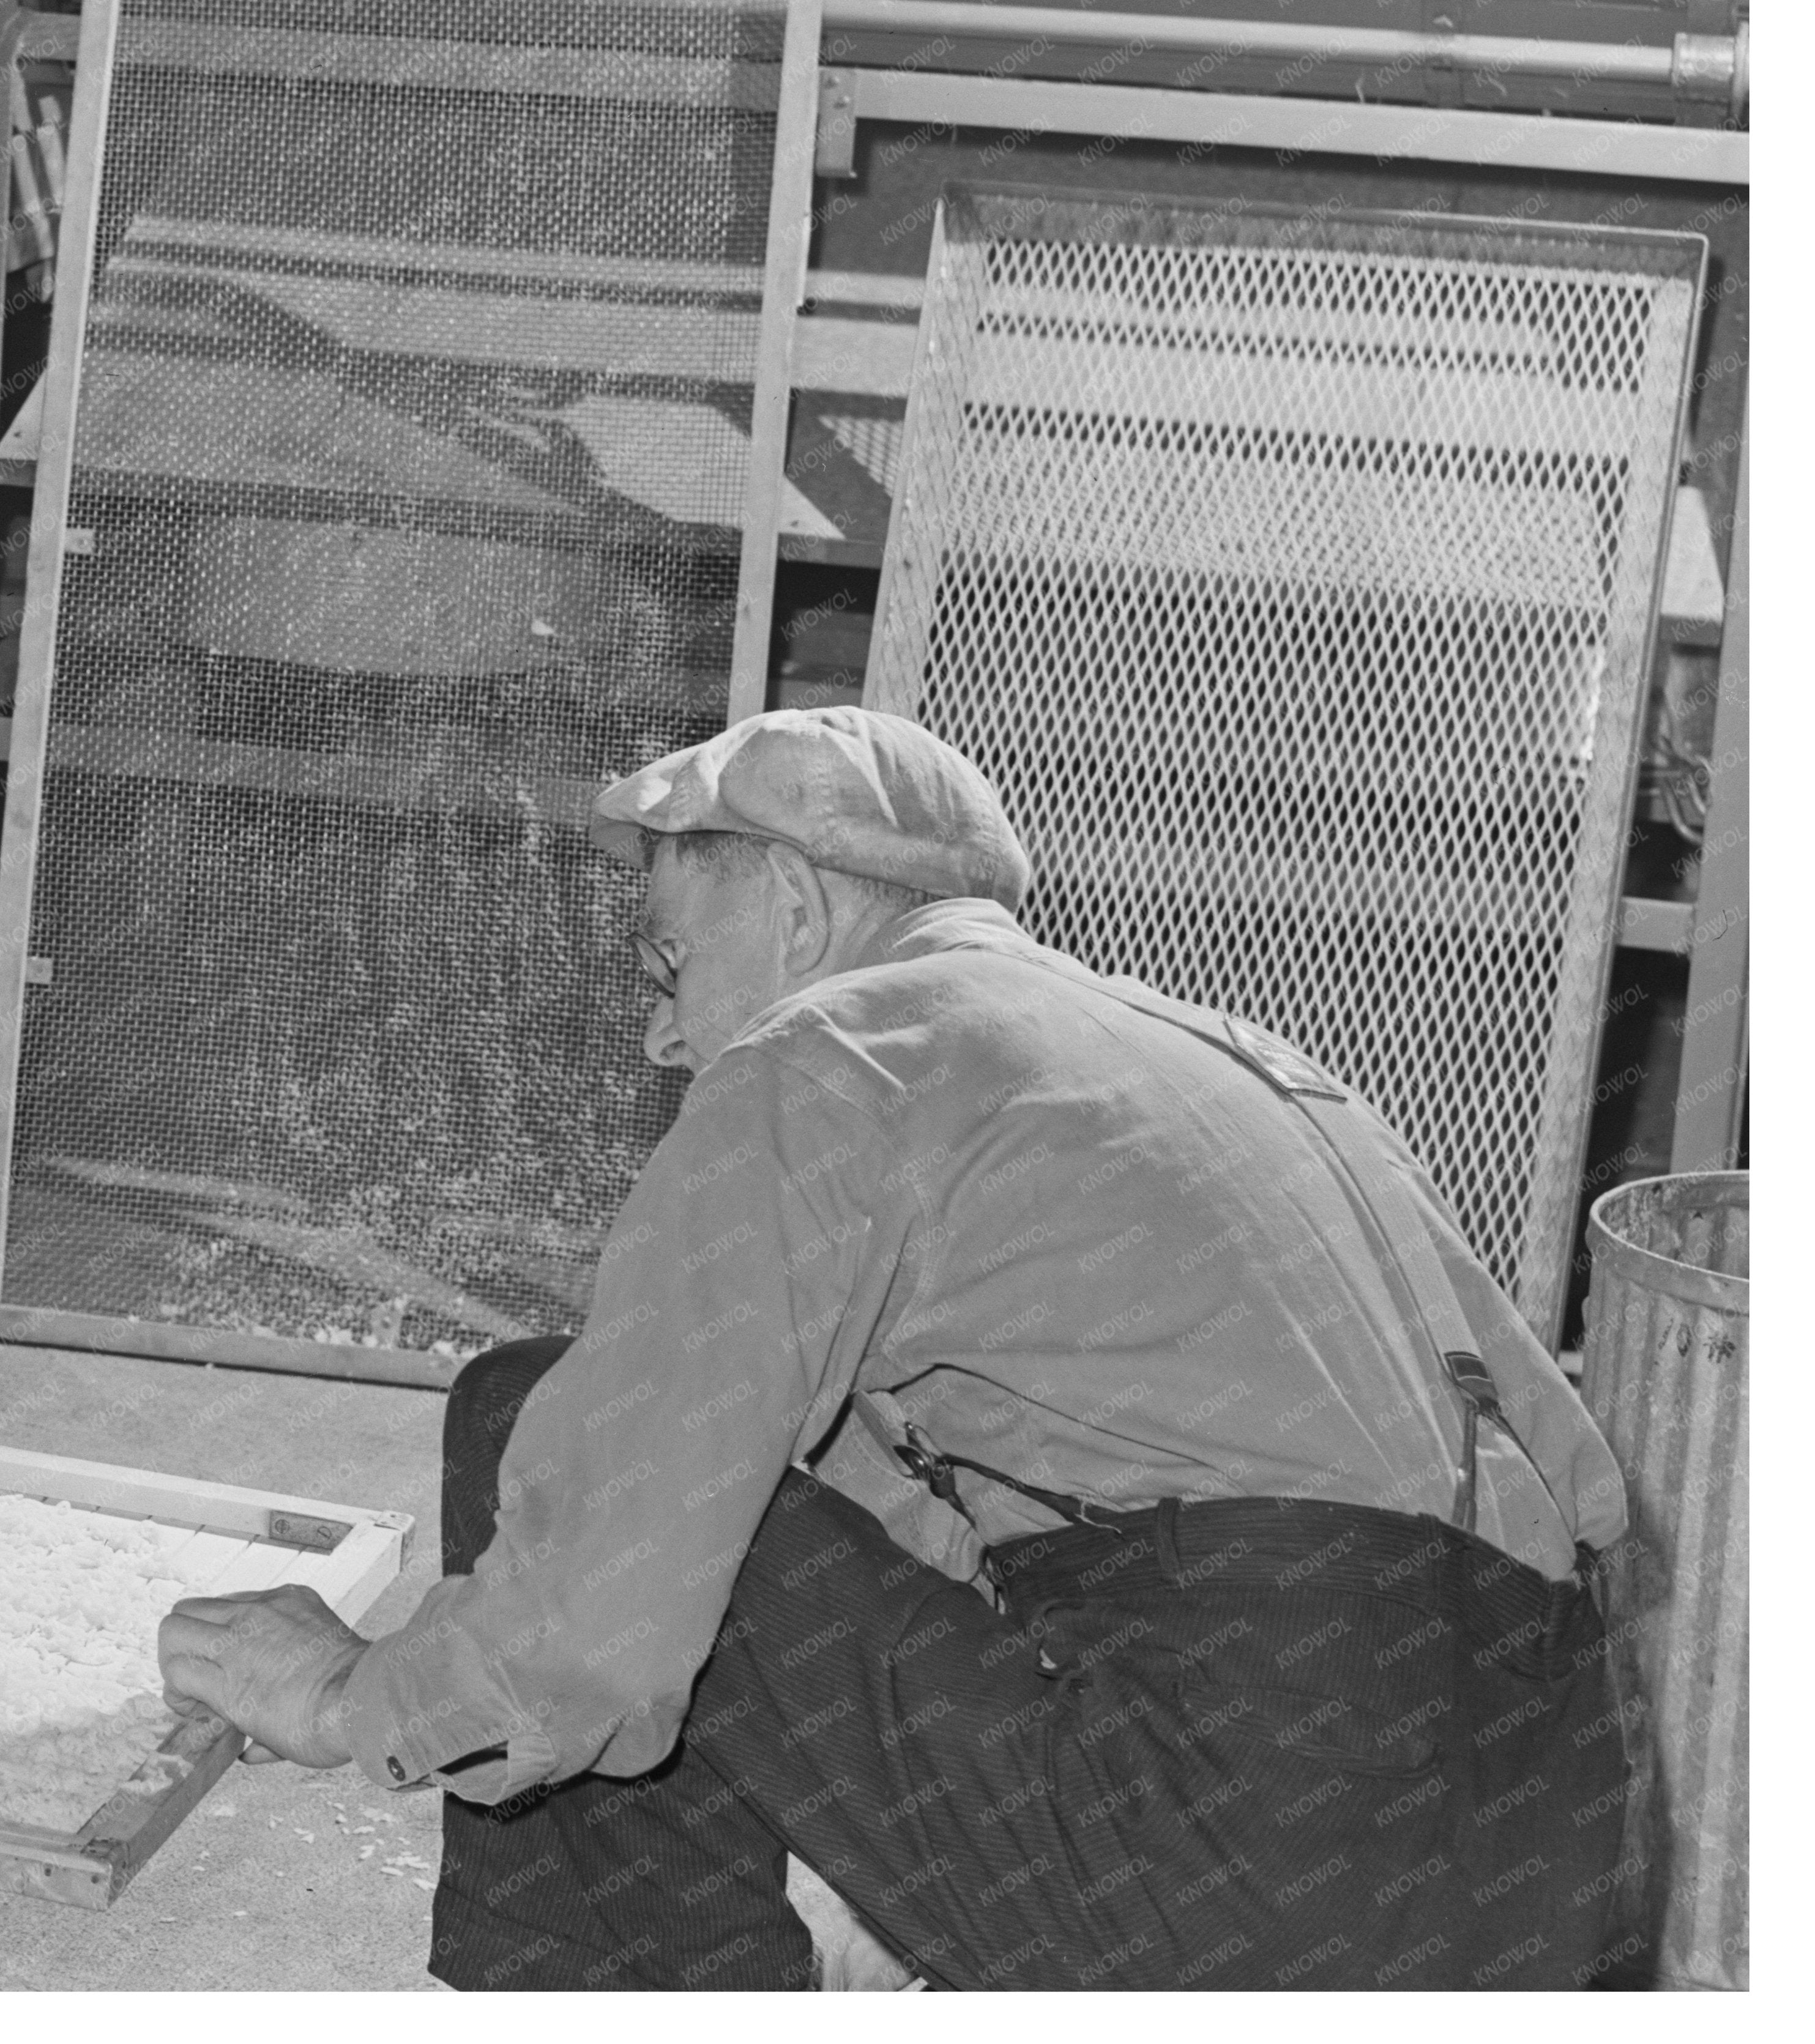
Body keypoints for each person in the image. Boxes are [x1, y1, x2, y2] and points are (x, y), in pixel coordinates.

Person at [159, 706, 1641, 1990]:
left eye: (668, 965)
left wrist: (355, 1699)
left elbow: (602, 1619)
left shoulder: (834, 1057)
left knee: (540, 1419)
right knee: (747, 1472)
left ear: (796, 906)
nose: (660, 1040)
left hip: (1234, 1875)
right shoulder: (1215, 1059)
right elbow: (1570, 1504)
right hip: (1528, 1878)